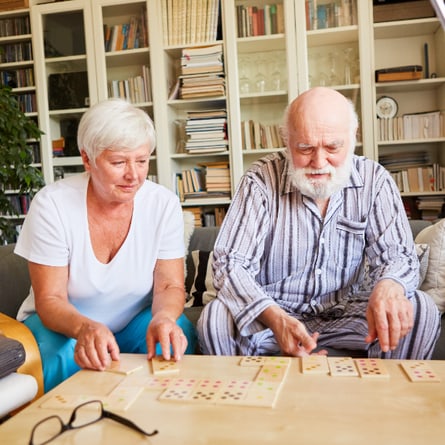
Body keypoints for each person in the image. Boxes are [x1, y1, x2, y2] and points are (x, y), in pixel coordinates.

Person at [197, 87, 441, 359]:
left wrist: (389, 285)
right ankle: (247, 400)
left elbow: (398, 255)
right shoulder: (260, 180)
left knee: (421, 307)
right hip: (273, 315)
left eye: (332, 147)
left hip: (350, 315)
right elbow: (230, 263)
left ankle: (388, 400)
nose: (319, 161)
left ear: (353, 137)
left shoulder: (375, 179)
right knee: (216, 317)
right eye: (305, 148)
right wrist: (274, 318)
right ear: (286, 141)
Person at [15, 98, 197, 392]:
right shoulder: (52, 204)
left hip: (132, 322)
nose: (133, 175)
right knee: (59, 356)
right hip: (64, 325)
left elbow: (169, 286)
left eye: (141, 160)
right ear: (87, 160)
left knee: (175, 334)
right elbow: (50, 300)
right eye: (118, 162)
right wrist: (85, 328)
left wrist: (163, 317)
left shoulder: (163, 203)